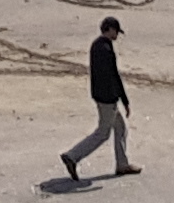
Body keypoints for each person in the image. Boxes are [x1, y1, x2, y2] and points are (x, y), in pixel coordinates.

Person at [58, 16, 137, 181]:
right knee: (102, 133)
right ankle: (73, 156)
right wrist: (123, 99)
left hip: (100, 96)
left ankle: (122, 164)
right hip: (108, 99)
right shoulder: (106, 49)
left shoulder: (97, 45)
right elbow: (113, 75)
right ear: (109, 29)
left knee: (120, 127)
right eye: (116, 31)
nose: (117, 35)